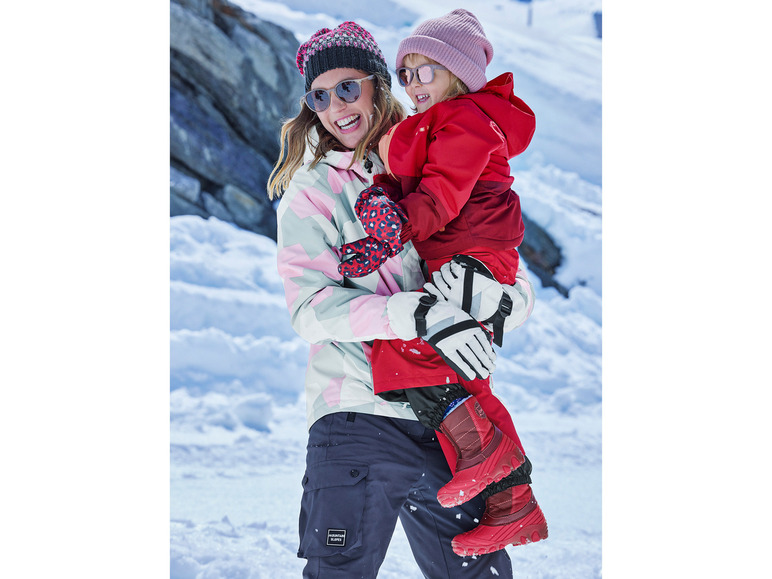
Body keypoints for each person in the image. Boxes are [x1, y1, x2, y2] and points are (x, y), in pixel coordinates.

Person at [268, 21, 536, 577]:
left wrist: (502, 300)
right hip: (357, 418)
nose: (337, 107)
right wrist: (417, 315)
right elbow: (310, 310)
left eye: (348, 88)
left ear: (377, 85)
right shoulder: (313, 193)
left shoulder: (434, 153)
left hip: (448, 421)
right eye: (320, 96)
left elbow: (498, 255)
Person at [337, 9, 548, 556]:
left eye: (424, 71)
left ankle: (489, 461)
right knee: (459, 374)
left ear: (458, 74)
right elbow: (414, 182)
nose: (412, 83)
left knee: (410, 351)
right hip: (457, 257)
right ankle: (512, 503)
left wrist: (393, 227)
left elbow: (440, 196)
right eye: (405, 73)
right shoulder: (439, 122)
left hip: (473, 258)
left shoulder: (466, 121)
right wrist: (386, 201)